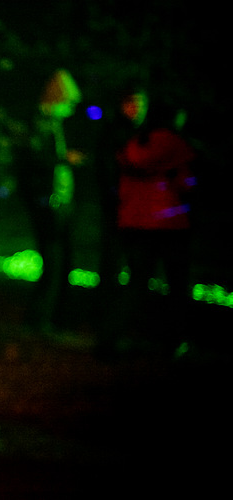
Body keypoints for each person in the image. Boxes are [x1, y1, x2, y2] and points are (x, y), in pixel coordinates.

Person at [100, 87, 196, 355]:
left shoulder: (134, 142)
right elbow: (186, 183)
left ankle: (108, 338)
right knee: (176, 286)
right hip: (170, 224)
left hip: (135, 222)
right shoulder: (176, 145)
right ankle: (173, 341)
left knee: (137, 283)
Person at [18, 69, 84, 335]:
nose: (71, 108)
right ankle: (41, 320)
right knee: (54, 263)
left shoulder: (51, 125)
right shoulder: (41, 124)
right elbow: (34, 161)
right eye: (68, 102)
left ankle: (51, 318)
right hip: (49, 202)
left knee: (60, 262)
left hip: (56, 201)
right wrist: (63, 160)